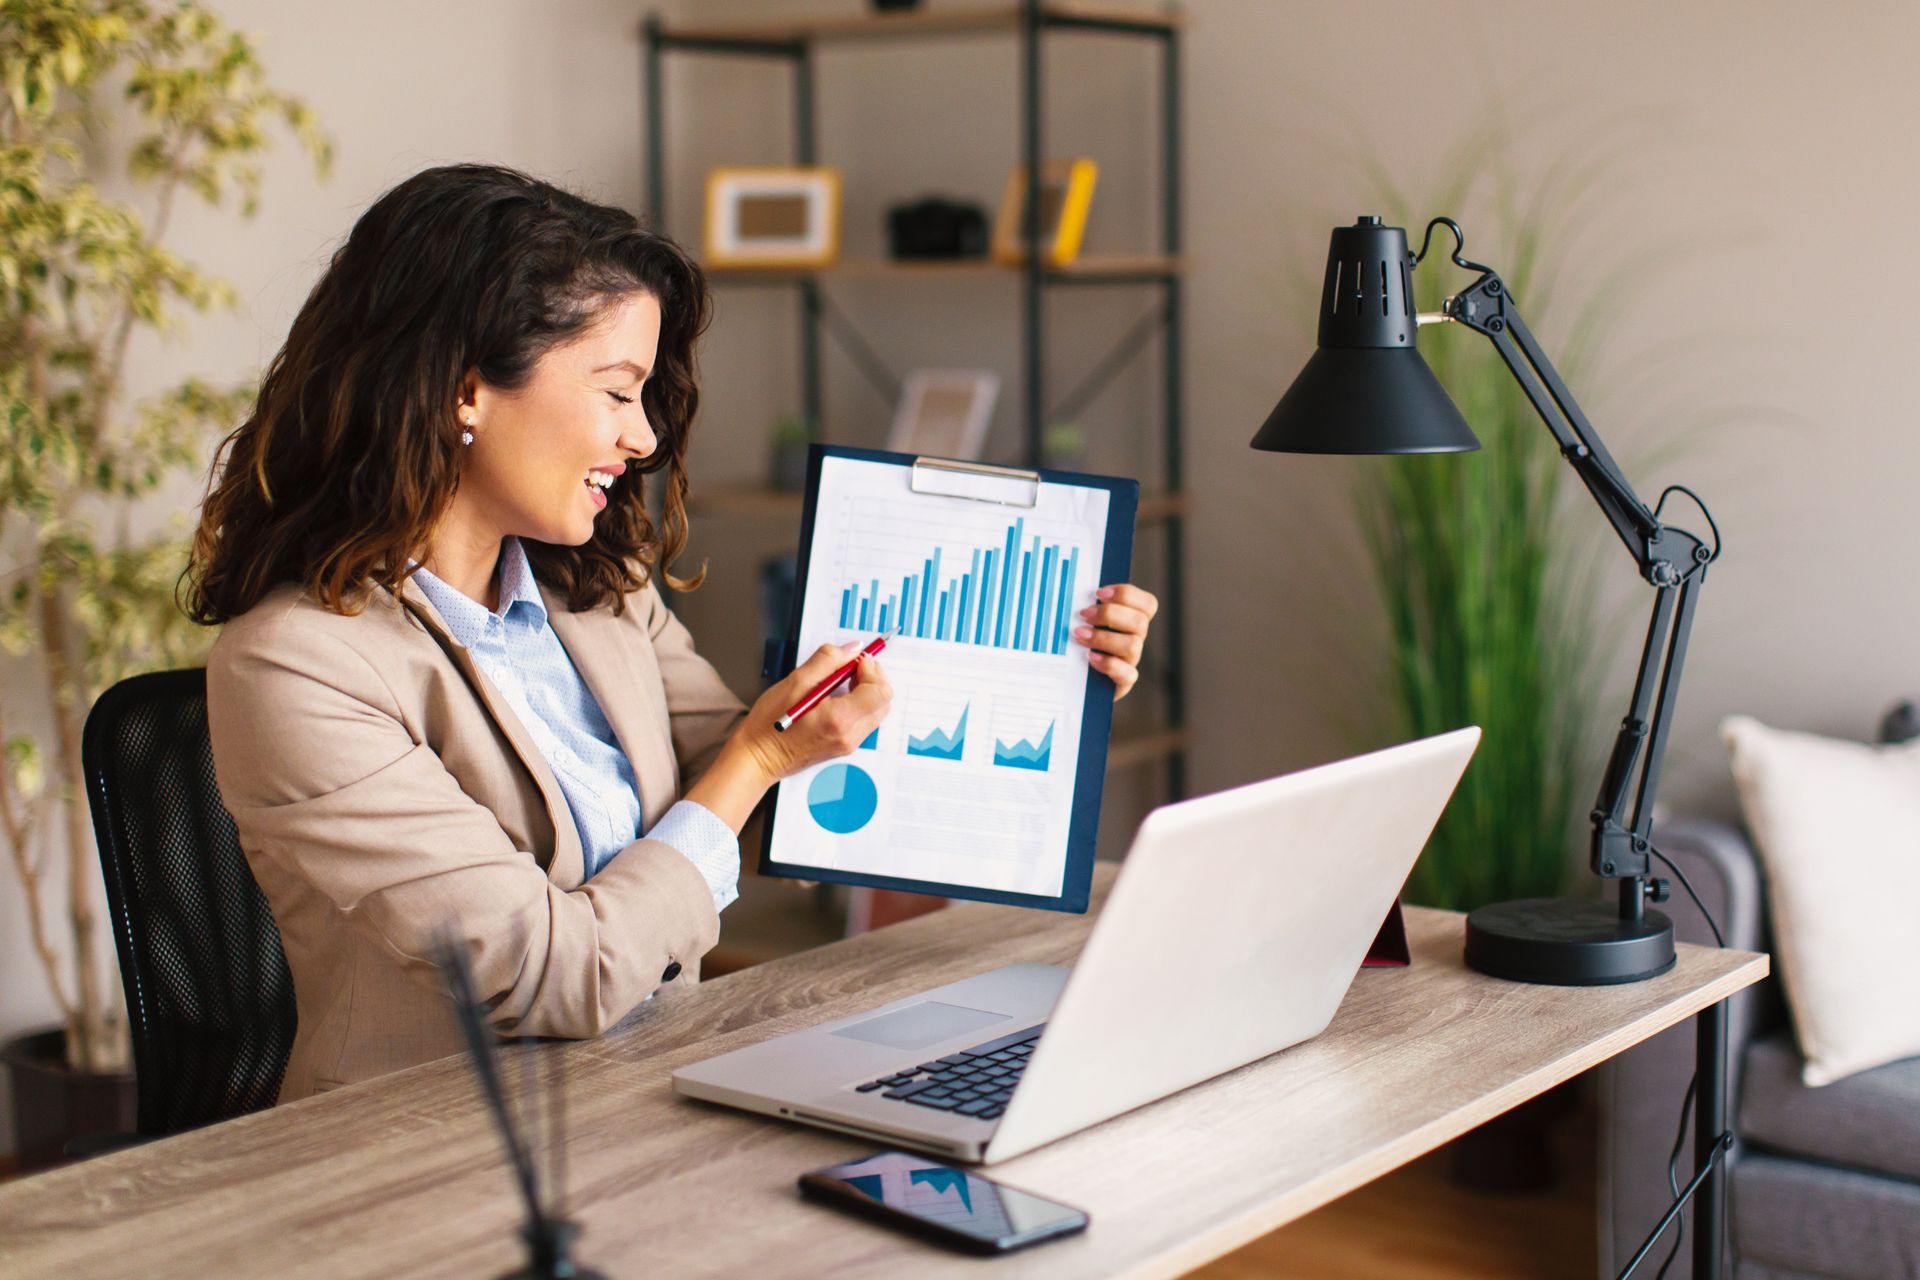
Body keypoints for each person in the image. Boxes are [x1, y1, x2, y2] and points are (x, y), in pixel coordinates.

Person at [185, 164, 1158, 1102]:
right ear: (464, 387)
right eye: (616, 391)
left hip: (652, 1095)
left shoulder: (600, 593)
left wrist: (1043, 679)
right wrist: (754, 758)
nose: (644, 436)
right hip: (434, 1168)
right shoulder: (295, 665)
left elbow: (788, 797)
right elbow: (554, 974)